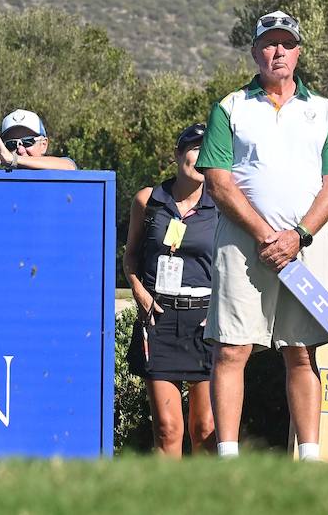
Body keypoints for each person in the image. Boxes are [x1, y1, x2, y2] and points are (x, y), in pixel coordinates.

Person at [195, 10, 328, 461]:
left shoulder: (323, 110)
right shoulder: (230, 107)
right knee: (231, 349)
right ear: (255, 51)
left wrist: (299, 234)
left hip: (306, 247)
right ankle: (228, 459)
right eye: (269, 43)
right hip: (244, 245)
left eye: (286, 43)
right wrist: (268, 236)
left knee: (302, 353)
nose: (278, 51)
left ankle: (309, 458)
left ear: (299, 51)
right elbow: (219, 181)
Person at [122, 122, 218, 457]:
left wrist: (220, 308)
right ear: (177, 154)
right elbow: (130, 257)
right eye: (194, 148)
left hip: (206, 324)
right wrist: (139, 291)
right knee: (167, 428)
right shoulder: (148, 200)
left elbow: (235, 267)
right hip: (158, 321)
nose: (201, 157)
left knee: (205, 428)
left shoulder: (223, 205)